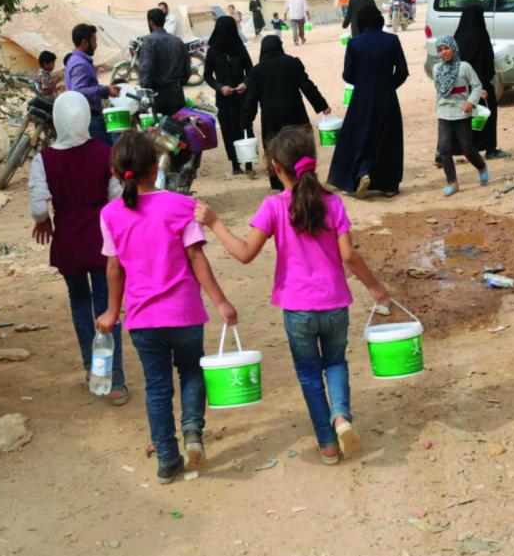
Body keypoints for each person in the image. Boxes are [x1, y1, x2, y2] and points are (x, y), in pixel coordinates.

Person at [194, 127, 390, 465]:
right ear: (312, 160)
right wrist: (374, 286)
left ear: (275, 167)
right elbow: (349, 256)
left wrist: (215, 223)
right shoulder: (333, 202)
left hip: (297, 309)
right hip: (335, 303)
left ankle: (328, 445)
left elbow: (244, 253)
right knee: (335, 363)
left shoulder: (273, 206)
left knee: (310, 374)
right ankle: (341, 417)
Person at [96, 132, 238, 484]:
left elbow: (114, 268)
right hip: (184, 313)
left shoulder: (110, 214)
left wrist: (112, 311)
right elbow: (196, 257)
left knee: (157, 387)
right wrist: (220, 301)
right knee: (191, 372)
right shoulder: (181, 205)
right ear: (157, 166)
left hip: (143, 319)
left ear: (115, 173)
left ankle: (167, 458)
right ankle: (192, 432)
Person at [28, 91, 128, 405]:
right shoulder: (105, 153)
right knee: (107, 305)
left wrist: (45, 221)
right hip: (102, 239)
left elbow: (38, 208)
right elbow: (116, 198)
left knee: (79, 300)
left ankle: (90, 363)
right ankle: (115, 381)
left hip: (68, 241)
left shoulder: (44, 159)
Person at [328, 5, 409, 198]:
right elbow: (402, 72)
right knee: (387, 138)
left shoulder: (354, 43)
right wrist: (388, 86)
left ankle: (361, 173)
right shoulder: (392, 40)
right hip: (387, 97)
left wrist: (364, 82)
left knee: (359, 136)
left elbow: (348, 75)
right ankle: (388, 185)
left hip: (362, 97)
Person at [242, 35, 330, 190]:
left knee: (275, 149)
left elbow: (251, 99)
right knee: (300, 146)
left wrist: (246, 121)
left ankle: (280, 184)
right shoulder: (292, 62)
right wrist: (322, 105)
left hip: (271, 118)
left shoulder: (256, 71)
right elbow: (307, 86)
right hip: (295, 112)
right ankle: (304, 178)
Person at [432, 35, 489, 196]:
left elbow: (476, 86)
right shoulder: (436, 69)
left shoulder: (464, 67)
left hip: (462, 113)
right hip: (444, 112)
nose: (444, 52)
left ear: (454, 48)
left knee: (467, 149)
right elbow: (439, 91)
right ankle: (452, 182)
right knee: (444, 149)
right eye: (440, 50)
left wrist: (471, 101)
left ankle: (481, 167)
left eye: (447, 48)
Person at [455, 4, 510, 160]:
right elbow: (487, 62)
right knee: (487, 116)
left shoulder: (458, 36)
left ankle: (450, 150)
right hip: (481, 85)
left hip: (462, 85)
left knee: (461, 119)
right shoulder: (480, 35)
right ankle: (490, 149)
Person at [204, 16, 256, 178]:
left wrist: (245, 84)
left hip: (242, 96)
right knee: (228, 129)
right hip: (224, 98)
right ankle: (235, 164)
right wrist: (220, 87)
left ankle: (249, 163)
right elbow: (207, 75)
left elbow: (250, 70)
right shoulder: (212, 51)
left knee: (245, 126)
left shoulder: (240, 48)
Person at [65, 24, 121, 145]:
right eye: (94, 41)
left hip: (87, 118)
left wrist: (107, 91)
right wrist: (104, 89)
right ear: (85, 42)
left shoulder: (78, 60)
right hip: (89, 119)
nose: (96, 45)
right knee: (107, 153)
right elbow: (78, 91)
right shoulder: (80, 64)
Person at [139, 8, 190, 116]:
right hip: (177, 93)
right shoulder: (177, 40)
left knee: (161, 125)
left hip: (158, 94)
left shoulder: (149, 40)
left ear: (151, 22)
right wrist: (180, 83)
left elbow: (146, 68)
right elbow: (187, 68)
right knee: (177, 123)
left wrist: (145, 89)